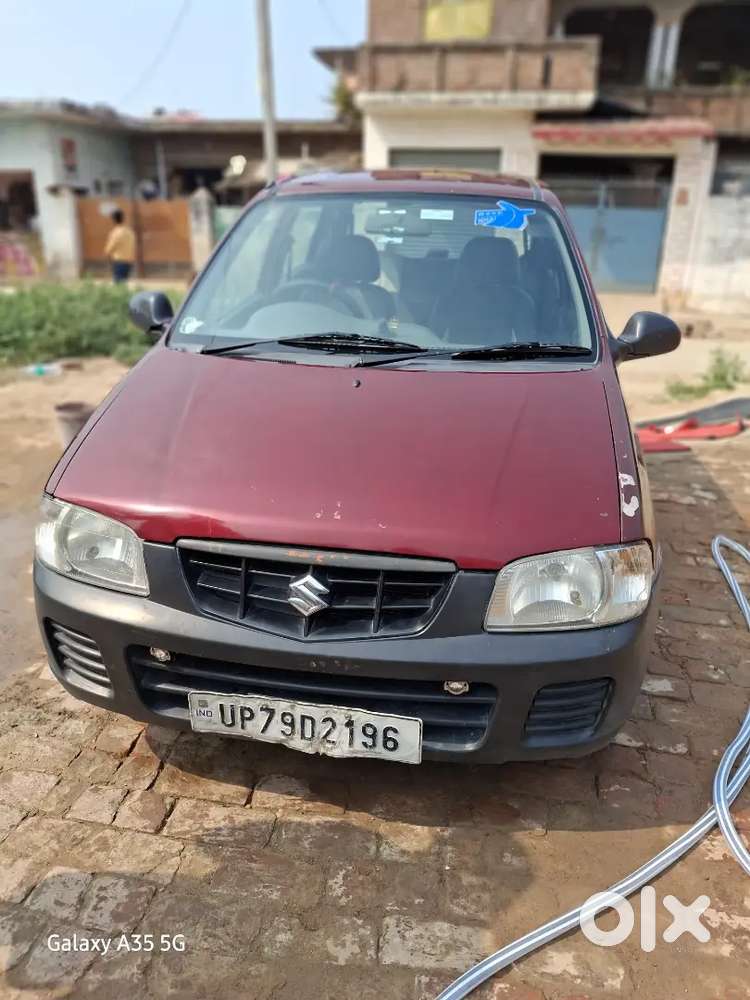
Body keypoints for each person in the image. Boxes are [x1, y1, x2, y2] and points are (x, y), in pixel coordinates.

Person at [104, 209, 136, 283]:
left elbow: (109, 249)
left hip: (119, 262)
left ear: (114, 220)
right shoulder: (129, 231)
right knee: (123, 283)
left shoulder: (116, 232)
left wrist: (108, 258)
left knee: (118, 284)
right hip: (129, 262)